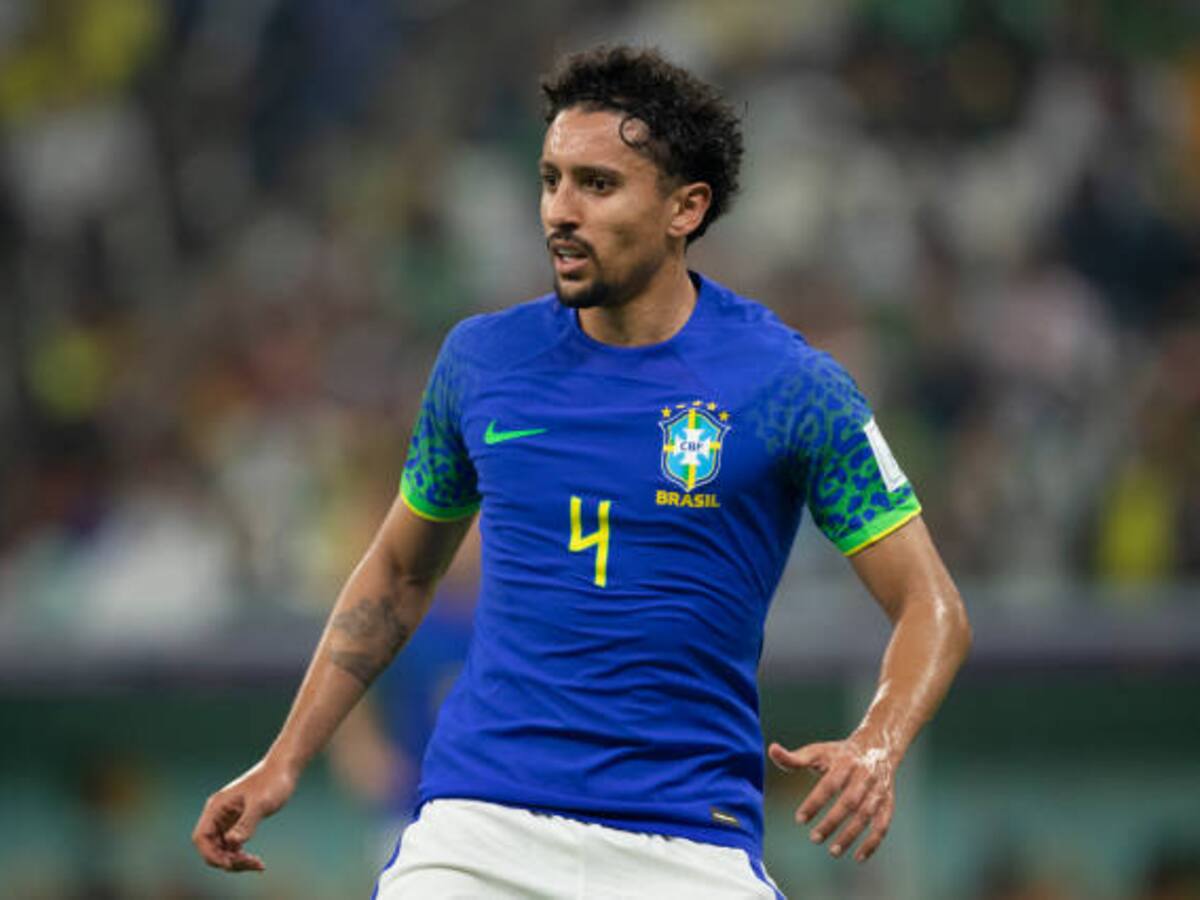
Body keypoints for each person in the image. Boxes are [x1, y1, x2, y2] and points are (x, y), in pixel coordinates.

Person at [192, 45, 972, 898]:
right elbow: (398, 573)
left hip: (686, 842)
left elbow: (931, 607)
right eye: (550, 180)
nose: (561, 211)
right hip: (477, 831)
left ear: (685, 208)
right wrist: (284, 759)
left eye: (597, 185)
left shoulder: (794, 389)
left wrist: (877, 741)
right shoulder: (480, 362)